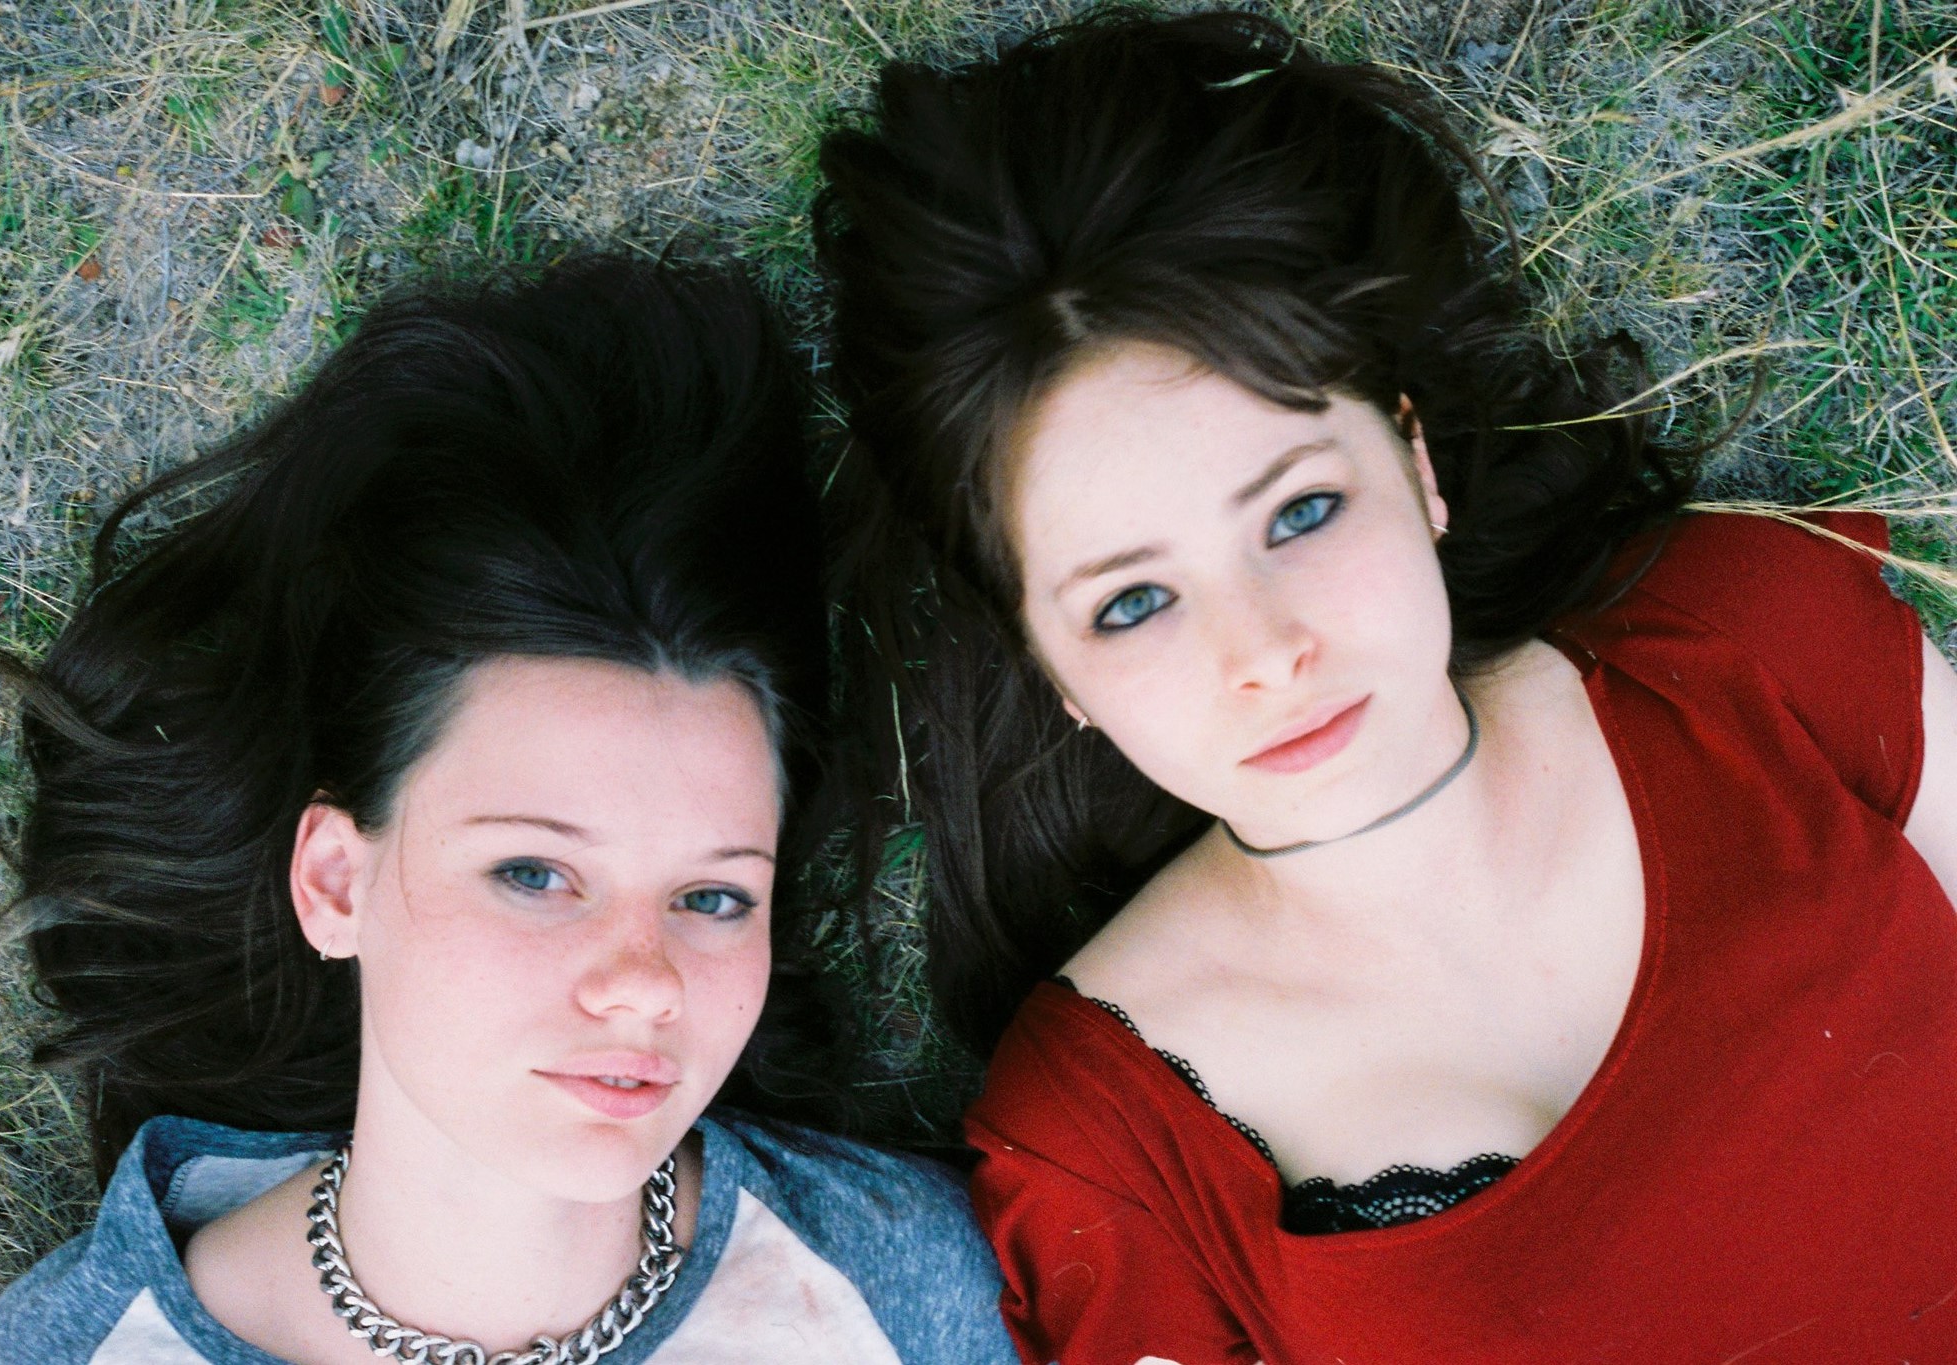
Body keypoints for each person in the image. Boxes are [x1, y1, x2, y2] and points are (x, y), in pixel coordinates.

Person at [812, 10, 1957, 1362]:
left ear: (1413, 465)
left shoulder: (1752, 635)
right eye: (1131, 602)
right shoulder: (1110, 1147)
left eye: (1298, 513)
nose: (1262, 652)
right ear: (1048, 668)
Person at [0, 257, 1018, 1364]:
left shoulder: (899, 1285)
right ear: (334, 882)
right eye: (533, 874)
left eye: (712, 896)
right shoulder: (77, 1349)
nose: (646, 981)